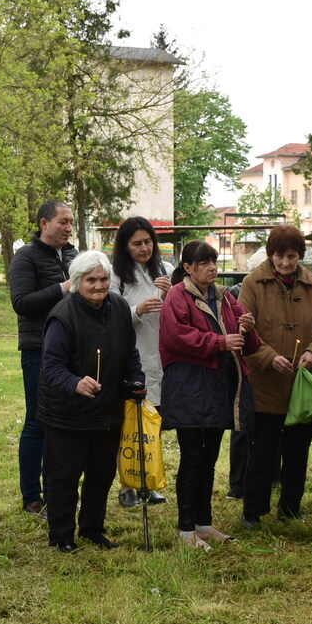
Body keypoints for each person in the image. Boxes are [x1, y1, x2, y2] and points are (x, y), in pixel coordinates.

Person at [38, 251, 145, 553]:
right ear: (76, 282)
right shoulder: (62, 316)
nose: (99, 286)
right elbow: (52, 366)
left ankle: (92, 529)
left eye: (103, 279)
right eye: (91, 280)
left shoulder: (120, 307)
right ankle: (61, 535)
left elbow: (130, 352)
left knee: (101, 474)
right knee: (64, 478)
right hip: (67, 413)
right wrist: (75, 383)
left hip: (107, 408)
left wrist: (136, 379)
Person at [159, 240, 260, 550]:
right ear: (187, 267)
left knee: (210, 459)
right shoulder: (177, 296)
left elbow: (249, 345)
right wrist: (219, 342)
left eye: (214, 262)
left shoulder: (227, 298)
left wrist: (248, 327)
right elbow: (177, 336)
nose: (212, 268)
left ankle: (203, 525)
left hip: (218, 387)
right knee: (192, 458)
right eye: (204, 263)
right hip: (189, 386)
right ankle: (185, 530)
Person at [237, 225, 312, 530]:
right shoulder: (252, 283)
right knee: (262, 451)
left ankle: (290, 506)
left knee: (298, 450)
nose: (286, 262)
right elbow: (243, 330)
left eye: (292, 256)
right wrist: (268, 356)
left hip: (301, 384)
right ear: (270, 254)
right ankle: (253, 509)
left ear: (300, 255)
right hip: (264, 384)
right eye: (280, 255)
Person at [8, 199, 78, 519]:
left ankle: (56, 492)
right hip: (39, 349)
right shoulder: (26, 257)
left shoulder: (74, 256)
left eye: (71, 222)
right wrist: (63, 287)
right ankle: (32, 498)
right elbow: (22, 302)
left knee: (62, 424)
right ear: (44, 223)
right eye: (63, 221)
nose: (68, 227)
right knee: (38, 421)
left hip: (72, 351)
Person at [109, 216, 172, 507]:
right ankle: (126, 486)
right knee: (130, 424)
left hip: (161, 357)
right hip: (131, 357)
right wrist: (137, 309)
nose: (144, 248)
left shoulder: (166, 270)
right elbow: (107, 315)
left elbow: (180, 313)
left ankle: (149, 483)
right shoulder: (115, 275)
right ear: (125, 246)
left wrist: (172, 294)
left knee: (152, 423)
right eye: (137, 243)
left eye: (148, 242)